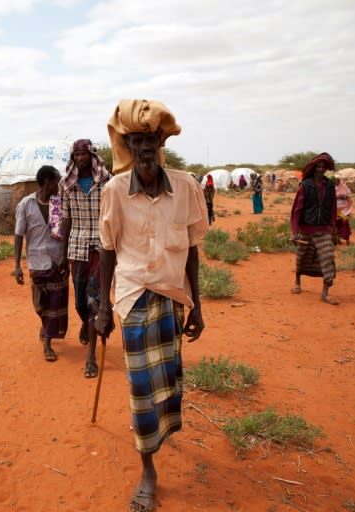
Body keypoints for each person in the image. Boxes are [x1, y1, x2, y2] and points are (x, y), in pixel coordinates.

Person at [95, 99, 208, 512]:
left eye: (151, 139)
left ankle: (160, 437)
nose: (146, 147)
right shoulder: (113, 191)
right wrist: (105, 307)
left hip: (173, 297)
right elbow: (107, 250)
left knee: (168, 382)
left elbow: (193, 249)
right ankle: (148, 470)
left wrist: (196, 304)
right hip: (134, 296)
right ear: (129, 145)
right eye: (137, 140)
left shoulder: (186, 187)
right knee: (142, 388)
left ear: (161, 142)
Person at [58, 139, 111, 378]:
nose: (79, 158)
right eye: (75, 155)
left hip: (102, 249)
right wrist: (61, 251)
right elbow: (64, 219)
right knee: (80, 302)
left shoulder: (107, 182)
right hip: (77, 248)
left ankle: (91, 358)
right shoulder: (65, 184)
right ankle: (85, 322)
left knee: (95, 302)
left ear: (91, 156)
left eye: (83, 154)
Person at [14, 165, 69, 362]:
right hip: (37, 262)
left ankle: (47, 343)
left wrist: (64, 255)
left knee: (55, 303)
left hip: (56, 260)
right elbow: (19, 235)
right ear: (48, 182)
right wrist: (17, 265)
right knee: (40, 305)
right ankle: (45, 325)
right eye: (57, 180)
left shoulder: (58, 204)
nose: (59, 184)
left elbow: (63, 232)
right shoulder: (26, 204)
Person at [290, 152, 339, 305]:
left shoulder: (330, 186)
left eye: (323, 167)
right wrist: (295, 231)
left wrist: (332, 228)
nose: (321, 169)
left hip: (324, 228)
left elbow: (332, 208)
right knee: (302, 257)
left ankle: (325, 293)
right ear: (314, 168)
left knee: (327, 258)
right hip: (306, 228)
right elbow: (297, 209)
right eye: (318, 166)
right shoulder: (305, 185)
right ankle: (297, 281)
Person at [335, 177, 353, 245]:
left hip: (343, 210)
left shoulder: (344, 187)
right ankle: (337, 239)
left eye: (337, 180)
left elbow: (348, 196)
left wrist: (344, 197)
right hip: (334, 210)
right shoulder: (330, 187)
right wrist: (337, 197)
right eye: (335, 180)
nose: (336, 181)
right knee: (336, 224)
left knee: (345, 223)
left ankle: (347, 239)